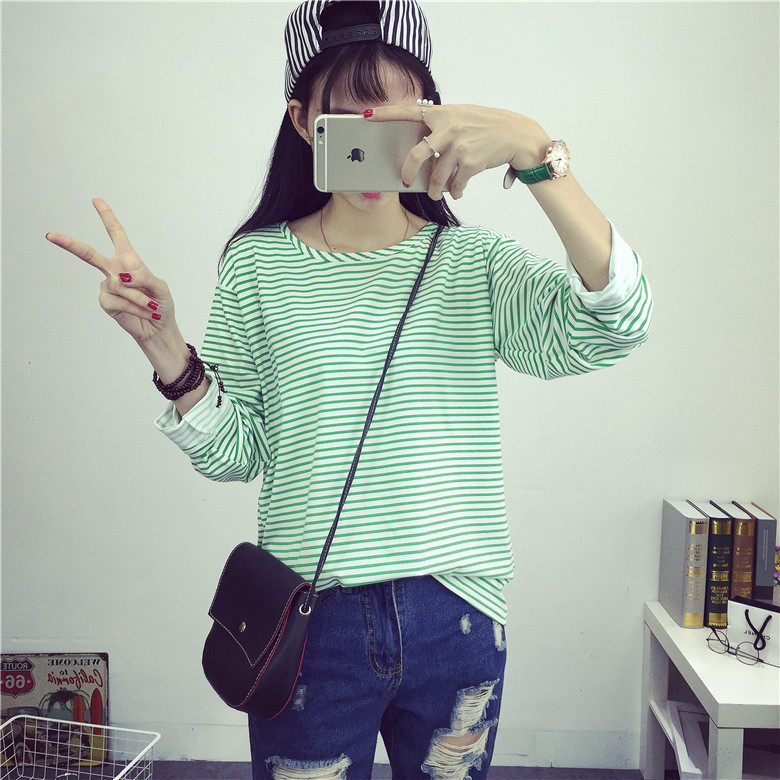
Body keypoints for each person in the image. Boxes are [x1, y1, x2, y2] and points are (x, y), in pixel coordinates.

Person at [45, 1, 653, 776]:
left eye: (403, 118)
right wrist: (165, 347)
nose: (379, 142)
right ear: (303, 121)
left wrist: (534, 149)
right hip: (312, 622)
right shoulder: (258, 265)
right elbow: (239, 453)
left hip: (457, 614)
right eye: (351, 117)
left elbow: (617, 322)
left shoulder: (474, 264)